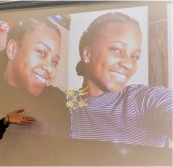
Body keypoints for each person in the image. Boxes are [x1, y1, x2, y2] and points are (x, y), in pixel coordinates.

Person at [66, 12, 172, 147]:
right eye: (117, 49)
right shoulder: (65, 102)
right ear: (87, 54)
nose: (129, 64)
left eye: (135, 57)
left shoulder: (144, 100)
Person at [0, 17, 70, 136]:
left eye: (54, 61)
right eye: (41, 52)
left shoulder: (59, 102)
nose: (50, 69)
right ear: (12, 49)